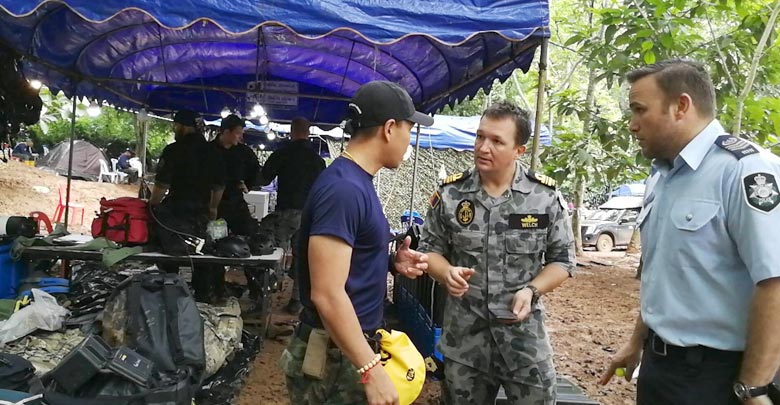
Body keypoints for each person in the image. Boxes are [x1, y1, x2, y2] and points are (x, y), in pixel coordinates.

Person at [599, 59, 780, 405]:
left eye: (640, 110)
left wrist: (753, 388)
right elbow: (665, 273)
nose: (632, 125)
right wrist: (637, 342)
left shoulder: (744, 171)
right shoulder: (662, 176)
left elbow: (774, 281)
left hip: (718, 375)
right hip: (660, 369)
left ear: (681, 106)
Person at [278, 80, 433, 405]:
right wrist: (371, 368)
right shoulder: (344, 190)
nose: (410, 141)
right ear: (390, 128)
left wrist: (390, 262)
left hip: (345, 351)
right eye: (409, 129)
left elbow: (344, 261)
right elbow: (327, 292)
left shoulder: (355, 182)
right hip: (336, 359)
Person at [418, 101, 575, 404]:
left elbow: (563, 260)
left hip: (524, 344)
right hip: (465, 344)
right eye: (480, 137)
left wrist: (532, 290)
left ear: (519, 150)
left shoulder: (543, 197)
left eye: (497, 141)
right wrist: (445, 272)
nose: (483, 147)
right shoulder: (451, 195)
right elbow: (429, 251)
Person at [149, 109, 225, 303]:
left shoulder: (173, 150)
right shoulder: (213, 152)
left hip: (174, 214)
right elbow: (218, 187)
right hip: (201, 215)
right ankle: (202, 300)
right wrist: (213, 209)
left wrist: (152, 205)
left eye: (176, 125)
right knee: (202, 257)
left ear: (182, 126)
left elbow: (161, 186)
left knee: (169, 255)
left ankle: (168, 297)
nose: (175, 129)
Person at [257, 116, 326, 313]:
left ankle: (268, 295)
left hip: (285, 212)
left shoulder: (282, 154)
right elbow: (323, 189)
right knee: (301, 257)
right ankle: (296, 300)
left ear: (291, 131)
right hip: (307, 215)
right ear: (308, 132)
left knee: (275, 254)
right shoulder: (317, 160)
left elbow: (263, 179)